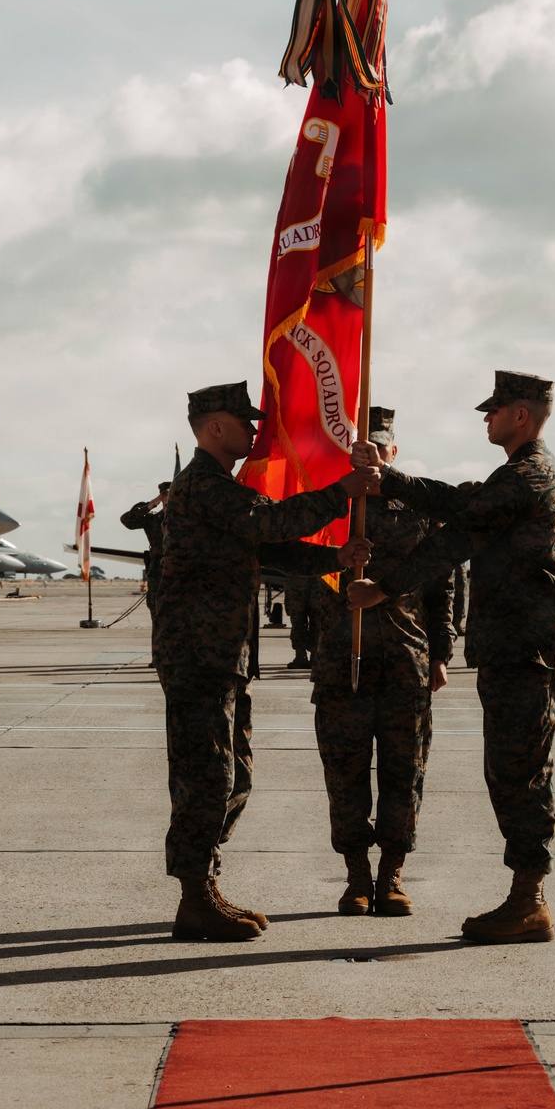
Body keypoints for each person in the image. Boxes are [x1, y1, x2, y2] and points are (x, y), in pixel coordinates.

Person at [349, 371, 555, 945]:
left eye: (495, 410)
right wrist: (390, 479)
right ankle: (527, 896)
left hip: (525, 644)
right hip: (514, 642)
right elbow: (459, 501)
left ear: (519, 415)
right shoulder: (517, 475)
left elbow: (456, 536)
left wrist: (385, 584)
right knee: (510, 768)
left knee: (520, 771)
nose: (486, 418)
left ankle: (529, 900)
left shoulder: (528, 476)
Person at [153, 381, 378, 943]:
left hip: (221, 653)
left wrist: (335, 555)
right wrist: (344, 490)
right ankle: (194, 897)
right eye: (244, 420)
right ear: (215, 428)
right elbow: (272, 524)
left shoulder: (218, 490)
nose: (255, 431)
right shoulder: (202, 485)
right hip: (199, 654)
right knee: (207, 776)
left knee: (233, 776)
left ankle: (204, 885)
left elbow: (268, 546)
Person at [313, 406, 454, 917]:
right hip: (339, 660)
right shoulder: (329, 509)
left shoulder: (418, 510)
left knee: (404, 771)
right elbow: (300, 570)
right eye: (360, 450)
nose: (370, 457)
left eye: (379, 449)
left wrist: (441, 652)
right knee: (344, 772)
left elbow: (443, 585)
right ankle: (355, 875)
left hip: (405, 660)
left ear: (393, 454)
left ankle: (392, 874)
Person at [121, 481, 171, 665]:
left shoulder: (185, 518)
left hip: (180, 570)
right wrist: (152, 503)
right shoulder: (152, 519)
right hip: (158, 570)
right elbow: (127, 520)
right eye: (164, 496)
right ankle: (158, 657)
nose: (168, 499)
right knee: (156, 614)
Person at [283, 573, 320, 669]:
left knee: (315, 618)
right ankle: (304, 655)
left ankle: (309, 655)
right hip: (304, 577)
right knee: (299, 619)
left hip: (304, 576)